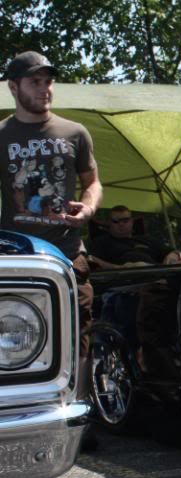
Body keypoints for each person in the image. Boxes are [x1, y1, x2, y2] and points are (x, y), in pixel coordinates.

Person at [0, 51, 102, 371]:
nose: (45, 89)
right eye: (35, 82)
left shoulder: (75, 133)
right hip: (18, 256)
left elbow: (93, 182)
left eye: (48, 81)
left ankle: (81, 404)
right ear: (14, 87)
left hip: (69, 252)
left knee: (79, 330)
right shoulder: (2, 136)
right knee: (19, 333)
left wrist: (88, 207)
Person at [89, 205, 181, 268]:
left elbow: (174, 252)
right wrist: (120, 268)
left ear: (132, 221)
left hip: (158, 272)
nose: (121, 224)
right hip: (127, 279)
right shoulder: (102, 242)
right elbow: (92, 260)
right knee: (140, 265)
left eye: (125, 220)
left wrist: (173, 255)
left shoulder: (145, 240)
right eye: (116, 221)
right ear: (110, 223)